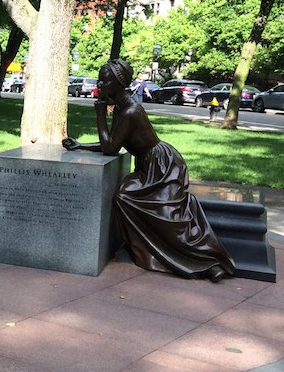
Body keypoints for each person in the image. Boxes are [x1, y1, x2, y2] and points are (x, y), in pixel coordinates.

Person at [62, 58, 234, 282]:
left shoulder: (131, 111)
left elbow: (111, 149)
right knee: (126, 197)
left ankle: (207, 261)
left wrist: (99, 116)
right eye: (99, 80)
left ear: (119, 83)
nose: (99, 85)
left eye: (104, 81)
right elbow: (113, 142)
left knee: (159, 209)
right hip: (147, 166)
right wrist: (81, 145)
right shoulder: (122, 109)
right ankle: (149, 248)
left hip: (163, 167)